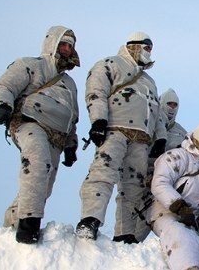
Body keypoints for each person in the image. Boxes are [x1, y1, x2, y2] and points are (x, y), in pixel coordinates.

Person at [0, 25, 81, 244]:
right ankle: (29, 225)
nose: (67, 49)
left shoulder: (69, 84)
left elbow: (72, 118)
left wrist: (71, 144)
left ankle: (11, 224)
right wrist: (2, 105)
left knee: (43, 184)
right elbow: (5, 85)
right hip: (30, 122)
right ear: (52, 44)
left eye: (70, 45)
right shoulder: (30, 65)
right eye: (63, 44)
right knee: (38, 164)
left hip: (57, 137)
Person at [75, 31, 167, 244]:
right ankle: (90, 220)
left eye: (151, 48)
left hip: (141, 140)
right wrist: (98, 120)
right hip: (115, 130)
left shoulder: (149, 81)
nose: (149, 52)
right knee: (102, 174)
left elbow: (156, 111)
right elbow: (96, 91)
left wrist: (160, 137)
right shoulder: (110, 64)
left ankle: (124, 232)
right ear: (133, 46)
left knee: (133, 187)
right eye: (146, 47)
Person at [149, 124, 199, 270]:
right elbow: (159, 182)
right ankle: (188, 266)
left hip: (197, 216)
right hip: (167, 213)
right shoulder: (176, 156)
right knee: (180, 231)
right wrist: (180, 208)